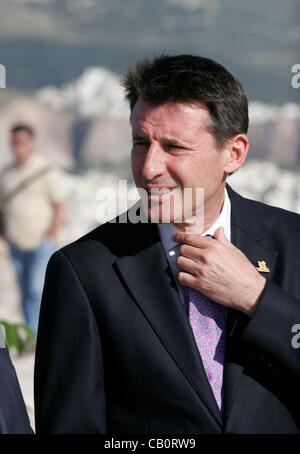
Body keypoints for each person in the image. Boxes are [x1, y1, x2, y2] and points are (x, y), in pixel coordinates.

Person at [34, 55, 300, 434]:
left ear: (234, 153)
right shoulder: (84, 272)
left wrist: (256, 298)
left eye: (174, 147)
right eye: (141, 142)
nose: (149, 168)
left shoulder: (293, 242)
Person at [0, 124, 66, 335]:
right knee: (24, 291)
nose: (18, 147)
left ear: (31, 143)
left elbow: (60, 205)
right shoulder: (7, 173)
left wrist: (50, 234)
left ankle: (38, 336)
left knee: (38, 290)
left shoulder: (45, 169)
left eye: (22, 142)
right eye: (14, 143)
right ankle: (32, 335)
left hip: (41, 242)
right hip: (15, 243)